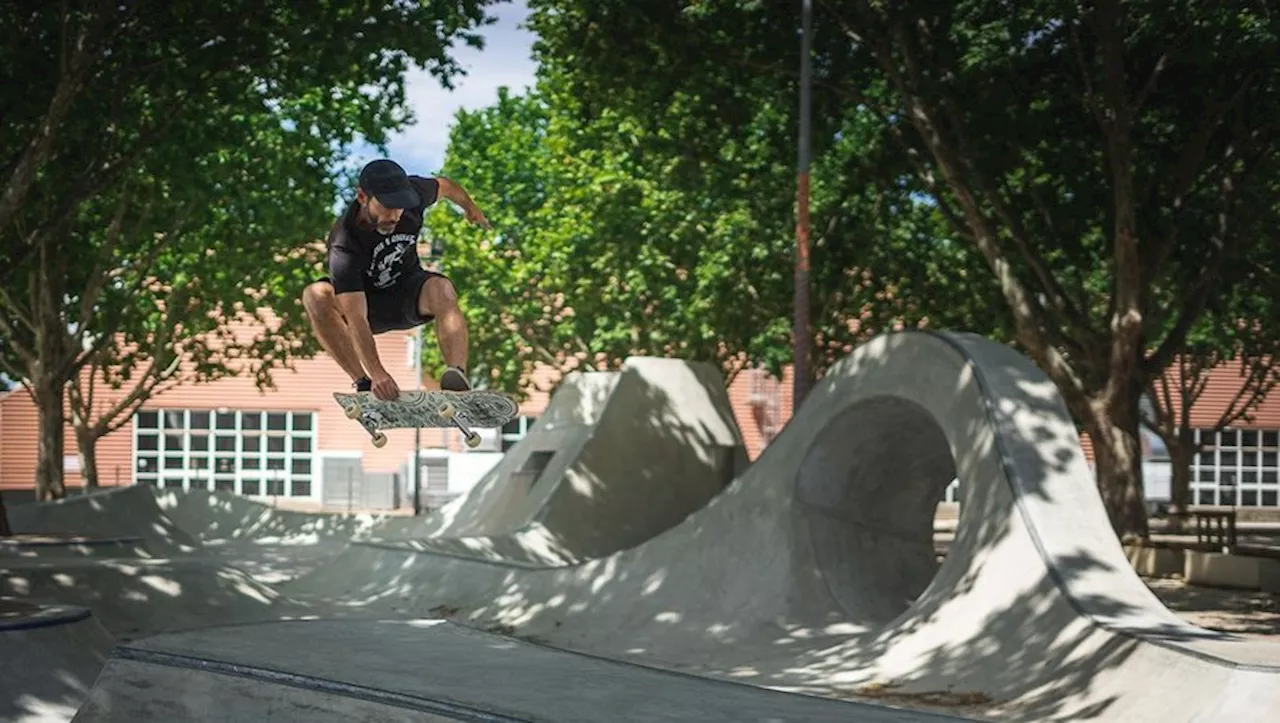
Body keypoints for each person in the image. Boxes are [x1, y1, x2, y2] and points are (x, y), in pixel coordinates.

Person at [301, 159, 490, 401]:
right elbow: (357, 318)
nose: (395, 215)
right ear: (362, 197)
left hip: (407, 293)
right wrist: (378, 373)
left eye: (400, 207)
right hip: (368, 309)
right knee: (315, 295)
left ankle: (457, 378)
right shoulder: (344, 244)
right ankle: (362, 383)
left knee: (442, 288)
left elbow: (446, 186)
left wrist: (470, 207)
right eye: (387, 207)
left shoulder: (415, 193)